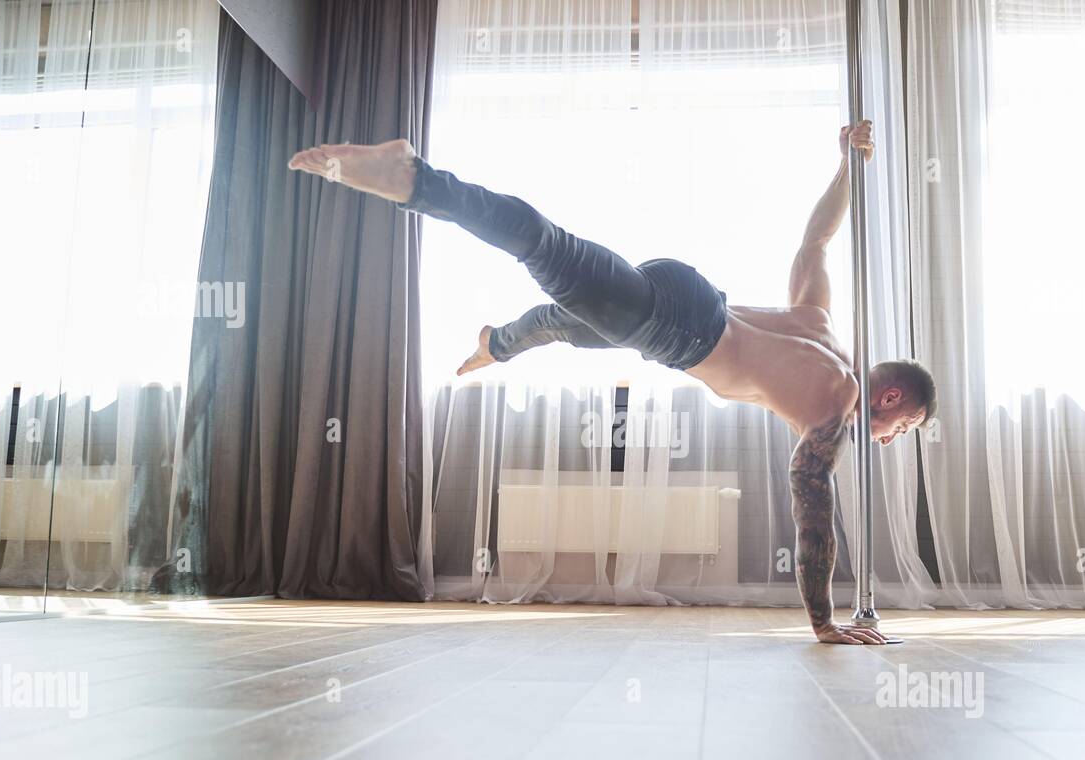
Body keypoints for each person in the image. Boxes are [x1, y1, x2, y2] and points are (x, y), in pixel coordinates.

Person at [288, 120, 936, 645]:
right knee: (547, 249)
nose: (885, 442)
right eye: (898, 428)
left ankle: (498, 343)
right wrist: (824, 622)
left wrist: (847, 165)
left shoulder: (818, 322)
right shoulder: (836, 401)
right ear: (889, 396)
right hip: (679, 330)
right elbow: (811, 509)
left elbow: (816, 242)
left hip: (690, 293)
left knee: (571, 324)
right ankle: (416, 177)